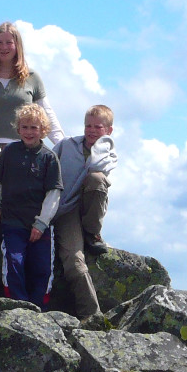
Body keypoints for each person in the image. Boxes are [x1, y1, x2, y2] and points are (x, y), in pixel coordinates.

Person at [0, 21, 65, 187]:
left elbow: (47, 113)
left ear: (17, 46)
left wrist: (63, 147)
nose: (4, 47)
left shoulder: (32, 78)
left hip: (19, 148)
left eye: (9, 42)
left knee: (15, 199)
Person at [0, 104, 62, 308]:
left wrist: (41, 223)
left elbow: (53, 194)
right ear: (18, 129)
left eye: (34, 128)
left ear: (43, 130)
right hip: (12, 222)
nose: (29, 132)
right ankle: (18, 306)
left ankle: (38, 308)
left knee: (42, 268)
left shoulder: (49, 157)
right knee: (14, 262)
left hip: (40, 225)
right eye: (25, 127)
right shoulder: (9, 152)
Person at [52, 105, 118, 319]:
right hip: (66, 210)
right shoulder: (65, 146)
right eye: (88, 125)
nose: (91, 130)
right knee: (74, 261)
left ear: (108, 130)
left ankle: (92, 233)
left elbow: (95, 170)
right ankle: (92, 316)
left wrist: (101, 145)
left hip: (90, 210)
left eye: (97, 127)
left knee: (97, 179)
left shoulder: (109, 154)